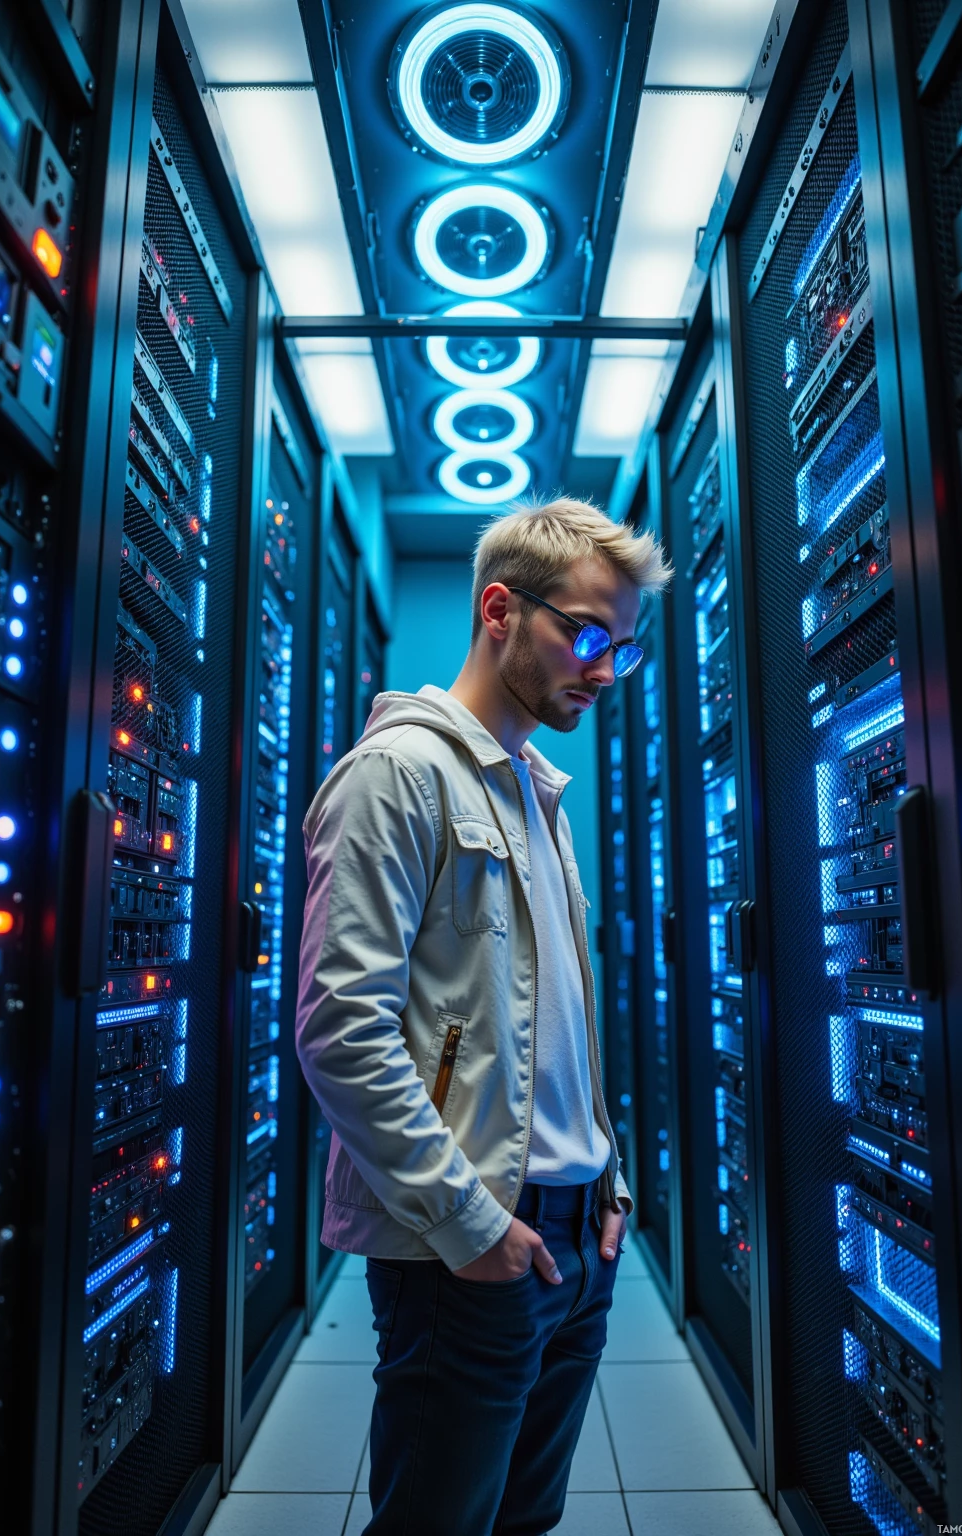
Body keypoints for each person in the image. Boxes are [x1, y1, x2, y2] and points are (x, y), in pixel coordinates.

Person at [295, 497, 671, 1535]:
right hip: (465, 1247)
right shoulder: (396, 776)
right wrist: (471, 1229)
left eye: (622, 650)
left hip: (573, 1235)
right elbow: (340, 1027)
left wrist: (607, 1177)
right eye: (587, 635)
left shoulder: (534, 793)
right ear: (499, 608)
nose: (603, 670)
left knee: (522, 1522)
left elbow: (554, 1029)